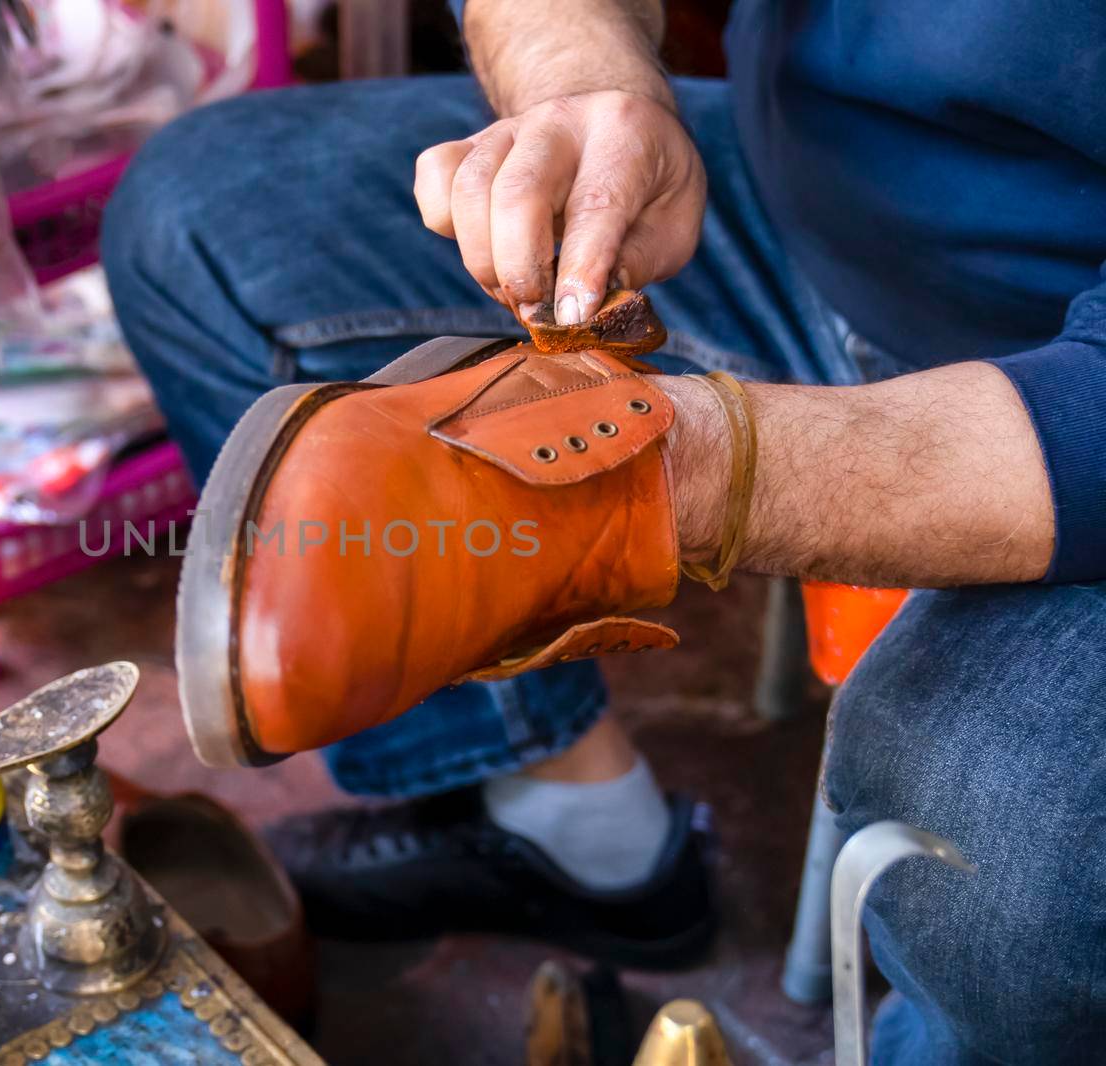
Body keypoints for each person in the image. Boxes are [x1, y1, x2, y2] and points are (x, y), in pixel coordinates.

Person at [101, 1, 1106, 1060]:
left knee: (995, 822)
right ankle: (576, 831)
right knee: (199, 219)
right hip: (830, 212)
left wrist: (682, 475)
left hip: (1058, 352)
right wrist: (580, 80)